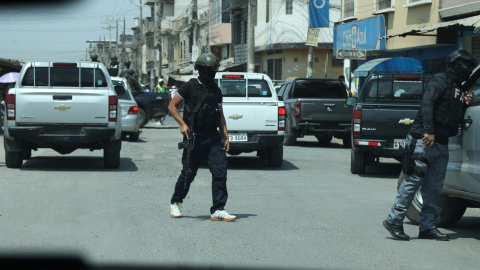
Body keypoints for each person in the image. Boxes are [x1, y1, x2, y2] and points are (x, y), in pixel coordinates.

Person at [383, 50, 478, 241]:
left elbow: (451, 113)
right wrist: (428, 131)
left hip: (442, 144)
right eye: (467, 66)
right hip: (424, 140)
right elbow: (428, 104)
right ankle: (394, 221)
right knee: (412, 182)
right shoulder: (440, 80)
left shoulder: (458, 89)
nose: (469, 70)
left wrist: (465, 103)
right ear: (458, 64)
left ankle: (427, 227)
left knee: (435, 188)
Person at [167, 53, 235, 222]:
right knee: (188, 173)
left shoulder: (216, 90)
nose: (213, 71)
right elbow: (172, 106)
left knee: (220, 172)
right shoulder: (189, 87)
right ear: (202, 69)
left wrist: (225, 136)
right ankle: (176, 202)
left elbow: (220, 115)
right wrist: (182, 124)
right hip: (194, 138)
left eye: (215, 69)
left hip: (213, 138)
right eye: (211, 69)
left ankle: (218, 209)